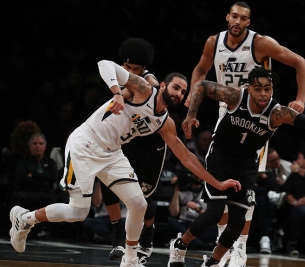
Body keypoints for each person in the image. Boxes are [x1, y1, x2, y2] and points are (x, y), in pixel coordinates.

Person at [8, 60, 241, 267]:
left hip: (112, 153)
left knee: (139, 204)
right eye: (176, 87)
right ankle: (25, 218)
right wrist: (117, 93)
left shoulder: (166, 123)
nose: (179, 93)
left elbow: (186, 157)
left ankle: (130, 260)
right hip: (85, 144)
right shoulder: (142, 89)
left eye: (183, 91)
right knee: (78, 212)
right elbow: (104, 64)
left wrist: (217, 183)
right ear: (162, 86)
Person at [167, 66, 305, 267]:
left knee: (237, 223)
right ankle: (180, 245)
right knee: (213, 214)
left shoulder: (277, 113)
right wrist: (191, 115)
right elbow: (202, 85)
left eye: (267, 89)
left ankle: (212, 262)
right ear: (249, 88)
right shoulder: (235, 97)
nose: (263, 94)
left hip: (246, 165)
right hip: (220, 159)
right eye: (258, 89)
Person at [184, 2, 305, 263]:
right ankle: (224, 246)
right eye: (234, 16)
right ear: (227, 17)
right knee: (222, 185)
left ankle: (239, 247)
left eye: (244, 18)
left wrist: (301, 99)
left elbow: (300, 62)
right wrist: (192, 95)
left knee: (246, 188)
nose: (238, 21)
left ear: (249, 22)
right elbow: (200, 69)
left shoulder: (260, 44)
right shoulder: (212, 42)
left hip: (256, 116)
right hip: (226, 112)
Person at [98, 37, 169, 262]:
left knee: (144, 196)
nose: (129, 71)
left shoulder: (149, 79)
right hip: (125, 139)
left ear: (143, 68)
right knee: (108, 182)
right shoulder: (115, 75)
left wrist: (125, 91)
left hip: (150, 144)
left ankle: (148, 231)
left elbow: (145, 88)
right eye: (126, 67)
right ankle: (117, 235)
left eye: (134, 69)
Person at [254, 147, 291, 253]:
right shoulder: (258, 170)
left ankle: (270, 237)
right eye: (273, 161)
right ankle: (265, 237)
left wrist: (268, 179)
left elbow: (284, 189)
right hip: (261, 203)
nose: (277, 162)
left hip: (281, 202)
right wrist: (264, 177)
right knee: (262, 199)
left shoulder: (285, 167)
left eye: (278, 158)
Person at [168, 171, 217, 250]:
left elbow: (209, 216)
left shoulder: (207, 192)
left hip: (199, 224)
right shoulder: (181, 191)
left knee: (217, 226)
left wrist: (198, 209)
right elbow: (174, 213)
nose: (198, 177)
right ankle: (198, 244)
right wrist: (176, 189)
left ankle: (190, 242)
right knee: (172, 221)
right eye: (195, 175)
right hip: (184, 224)